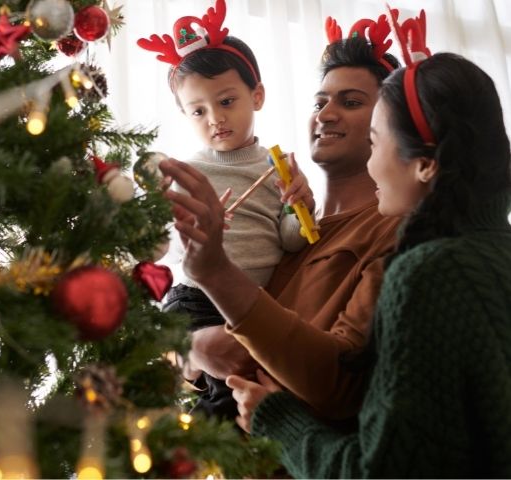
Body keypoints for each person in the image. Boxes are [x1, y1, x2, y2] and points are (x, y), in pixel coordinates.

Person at [242, 49, 511, 477]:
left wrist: (275, 419)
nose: (371, 162)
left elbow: (379, 470)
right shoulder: (491, 253)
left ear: (424, 164)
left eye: (375, 141)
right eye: (320, 101)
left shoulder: (426, 272)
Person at [167, 14, 403, 424]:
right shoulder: (288, 222)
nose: (326, 114)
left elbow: (342, 380)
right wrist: (187, 351)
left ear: (389, 125)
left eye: (350, 102)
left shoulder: (391, 231)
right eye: (320, 101)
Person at [137, 0, 313, 421]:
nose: (215, 118)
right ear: (184, 114)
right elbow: (169, 254)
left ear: (257, 96)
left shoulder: (279, 165)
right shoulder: (187, 173)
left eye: (227, 101)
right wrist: (195, 235)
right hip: (197, 301)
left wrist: (300, 208)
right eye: (198, 110)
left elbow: (289, 242)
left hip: (254, 301)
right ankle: (212, 445)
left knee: (250, 385)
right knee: (222, 390)